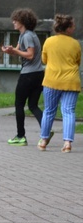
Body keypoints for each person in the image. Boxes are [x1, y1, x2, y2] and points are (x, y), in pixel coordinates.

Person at [1, 8, 44, 146]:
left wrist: (15, 50)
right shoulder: (26, 35)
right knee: (33, 105)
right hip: (38, 74)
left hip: (29, 75)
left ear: (23, 22)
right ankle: (46, 132)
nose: (13, 22)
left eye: (16, 20)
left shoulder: (27, 36)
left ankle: (21, 136)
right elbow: (19, 52)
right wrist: (10, 51)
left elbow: (30, 55)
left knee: (19, 104)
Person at [38, 14, 80, 153]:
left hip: (52, 81)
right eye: (72, 25)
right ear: (67, 28)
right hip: (71, 81)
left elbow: (44, 60)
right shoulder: (75, 44)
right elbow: (77, 61)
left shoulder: (49, 41)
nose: (74, 27)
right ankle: (67, 143)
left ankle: (44, 141)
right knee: (68, 112)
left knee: (49, 111)